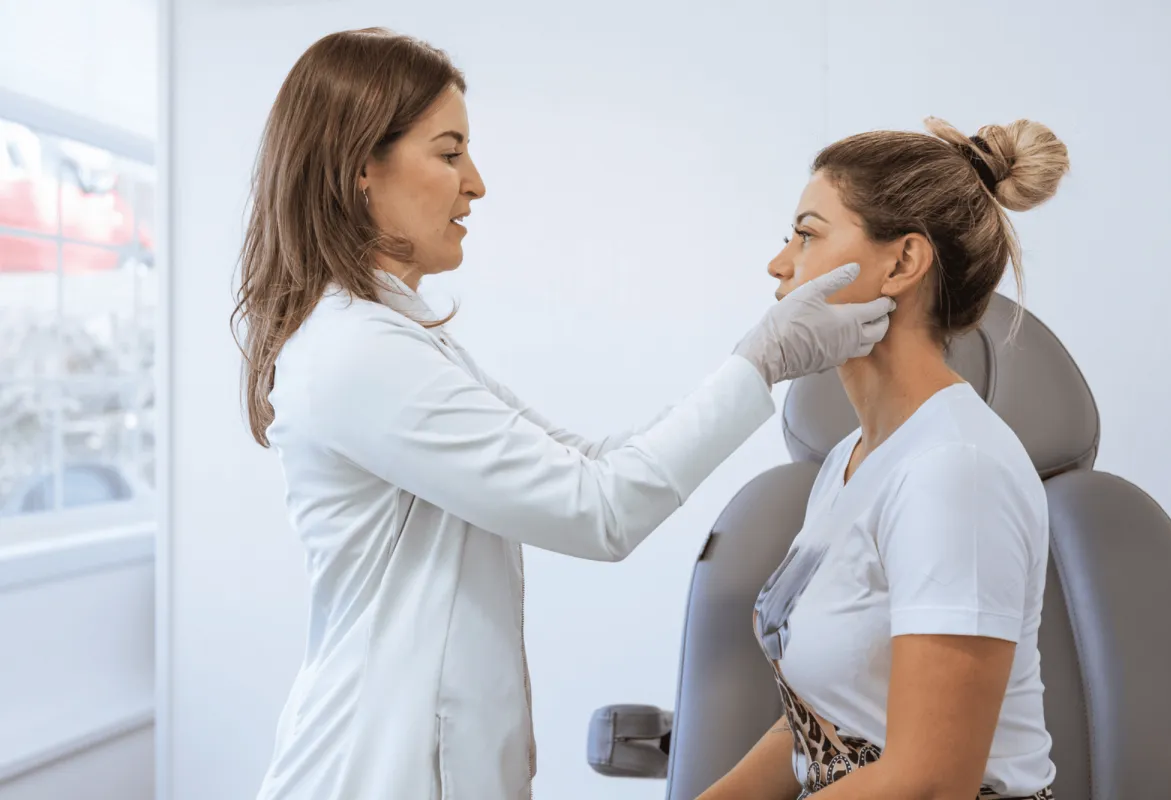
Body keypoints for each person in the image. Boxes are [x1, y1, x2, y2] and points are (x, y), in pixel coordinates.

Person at [232, 28, 894, 800]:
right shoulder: (359, 354)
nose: (475, 183)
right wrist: (763, 359)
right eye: (449, 153)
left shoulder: (393, 335)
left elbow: (588, 464)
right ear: (359, 170)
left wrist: (755, 361)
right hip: (372, 770)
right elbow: (599, 510)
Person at [698, 118, 1069, 800]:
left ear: (901, 263)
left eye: (806, 234)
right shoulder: (853, 459)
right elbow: (823, 725)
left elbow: (929, 782)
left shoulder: (957, 470)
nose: (779, 265)